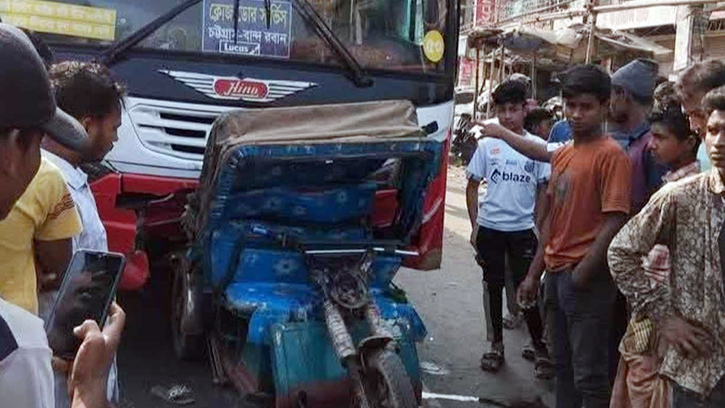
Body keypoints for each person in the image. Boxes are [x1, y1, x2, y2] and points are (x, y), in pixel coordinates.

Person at [0, 22, 124, 408]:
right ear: (14, 148)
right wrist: (90, 390)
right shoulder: (14, 349)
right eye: (38, 143)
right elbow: (60, 267)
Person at [516, 65, 632, 408]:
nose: (577, 114)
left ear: (604, 106)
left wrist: (582, 272)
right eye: (571, 105)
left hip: (586, 279)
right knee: (562, 366)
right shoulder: (564, 153)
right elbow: (553, 217)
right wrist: (534, 273)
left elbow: (615, 221)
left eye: (586, 107)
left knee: (589, 375)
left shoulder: (612, 156)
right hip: (555, 273)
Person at [608, 86, 725, 407]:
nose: (719, 142)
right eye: (713, 131)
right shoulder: (681, 196)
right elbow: (621, 252)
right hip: (697, 371)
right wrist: (664, 317)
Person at [41, 61, 125, 408]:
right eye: (113, 128)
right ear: (86, 126)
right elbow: (64, 285)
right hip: (67, 375)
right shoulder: (53, 186)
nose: (116, 138)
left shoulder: (66, 178)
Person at [466, 80, 554, 378]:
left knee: (527, 289)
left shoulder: (537, 148)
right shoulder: (487, 145)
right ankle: (495, 346)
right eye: (501, 110)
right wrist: (474, 225)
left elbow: (544, 190)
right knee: (492, 288)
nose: (506, 116)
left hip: (522, 232)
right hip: (490, 229)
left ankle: (540, 349)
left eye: (513, 110)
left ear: (524, 109)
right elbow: (472, 185)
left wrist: (538, 225)